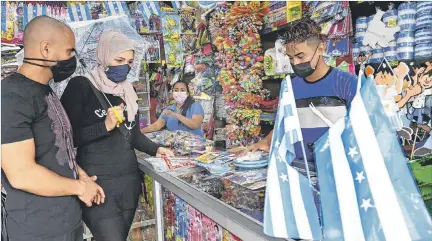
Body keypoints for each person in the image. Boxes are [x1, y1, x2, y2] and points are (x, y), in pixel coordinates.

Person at [60, 31, 174, 241]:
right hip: (98, 183)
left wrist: (156, 149)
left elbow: (134, 135)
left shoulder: (127, 91)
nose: (125, 66)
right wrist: (105, 125)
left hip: (129, 183)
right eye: (119, 60)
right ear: (104, 56)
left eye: (129, 61)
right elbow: (66, 139)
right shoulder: (81, 86)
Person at [1, 16, 104, 241]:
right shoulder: (11, 96)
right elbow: (21, 174)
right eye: (69, 51)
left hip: (67, 223)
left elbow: (56, 149)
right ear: (46, 49)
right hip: (37, 230)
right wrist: (79, 188)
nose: (72, 59)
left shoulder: (46, 91)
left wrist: (82, 176)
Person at [247, 18, 358, 185]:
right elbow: (284, 122)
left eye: (300, 56)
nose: (295, 63)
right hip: (299, 174)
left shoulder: (348, 83)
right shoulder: (289, 87)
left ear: (320, 49)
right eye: (290, 58)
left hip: (337, 175)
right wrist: (266, 141)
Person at [141, 81, 205, 137]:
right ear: (172, 93)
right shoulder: (169, 109)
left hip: (194, 145)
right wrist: (140, 131)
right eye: (176, 90)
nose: (179, 92)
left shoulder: (195, 106)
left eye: (182, 90)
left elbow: (195, 124)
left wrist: (176, 115)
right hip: (175, 145)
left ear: (187, 94)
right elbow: (157, 125)